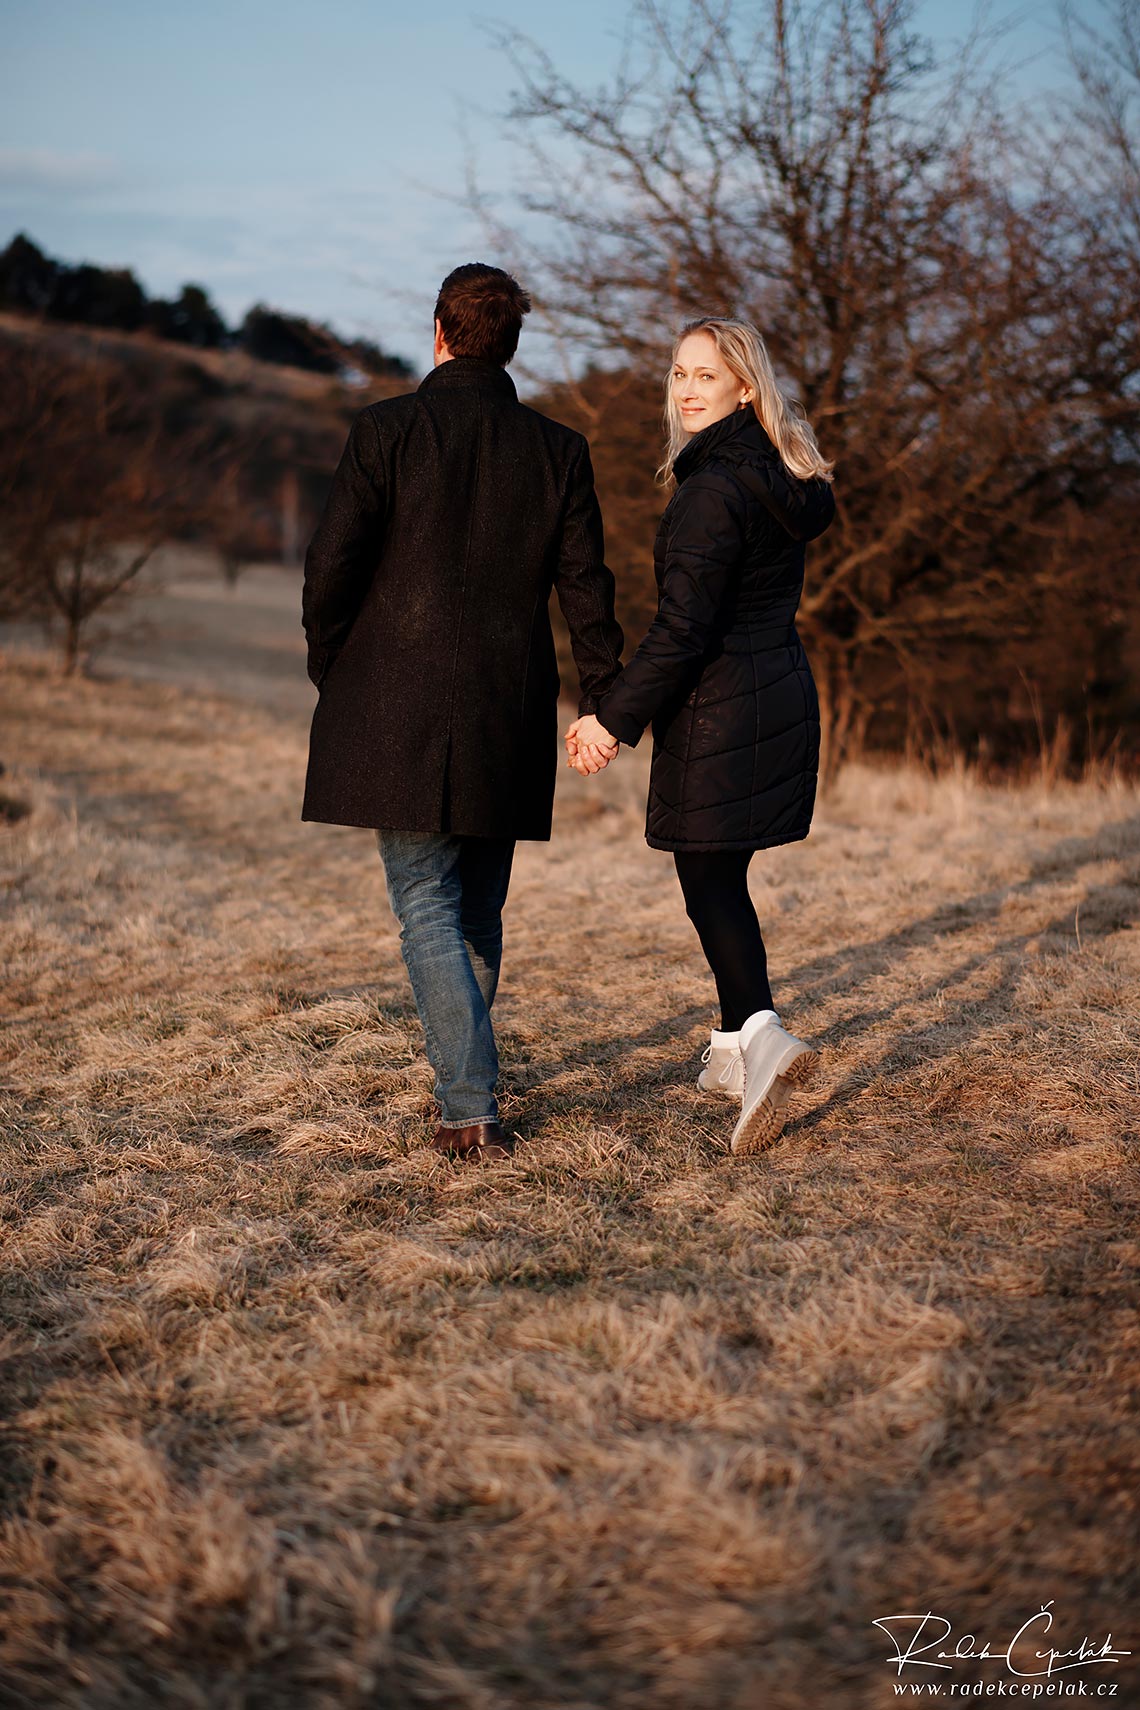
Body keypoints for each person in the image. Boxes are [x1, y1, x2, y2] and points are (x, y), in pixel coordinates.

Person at [302, 263, 624, 1165]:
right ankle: (471, 1082)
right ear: (509, 343)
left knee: (426, 906)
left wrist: (338, 669)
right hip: (506, 710)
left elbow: (329, 569)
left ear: (438, 332)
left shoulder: (386, 431)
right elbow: (586, 591)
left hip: (392, 706)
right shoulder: (559, 450)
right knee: (473, 912)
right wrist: (601, 695)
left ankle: (468, 1104)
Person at [566, 317, 835, 1155]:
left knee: (709, 880)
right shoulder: (775, 473)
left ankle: (760, 1040)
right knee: (718, 873)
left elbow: (682, 631)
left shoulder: (711, 492)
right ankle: (726, 1049)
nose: (685, 390)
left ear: (744, 387)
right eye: (678, 374)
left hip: (723, 705)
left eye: (706, 377)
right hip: (776, 689)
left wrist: (611, 721)